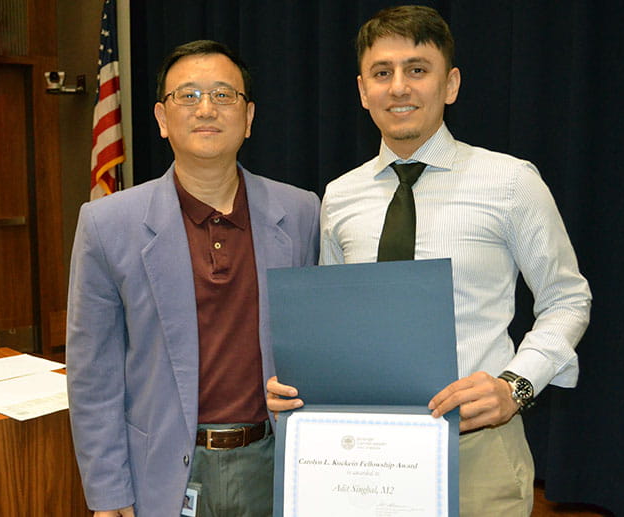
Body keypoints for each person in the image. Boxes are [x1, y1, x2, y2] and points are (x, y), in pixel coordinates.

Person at [266, 5, 591, 516]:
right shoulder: (340, 196)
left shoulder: (510, 182)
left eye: (417, 69)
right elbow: (334, 326)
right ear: (362, 90)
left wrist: (516, 386)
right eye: (382, 73)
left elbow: (567, 298)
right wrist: (297, 382)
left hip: (478, 450)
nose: (398, 87)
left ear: (451, 83)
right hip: (360, 459)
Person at [66, 40, 320, 517]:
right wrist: (107, 493)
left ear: (248, 117)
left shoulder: (301, 211)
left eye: (224, 95)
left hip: (276, 465)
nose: (206, 108)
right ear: (162, 119)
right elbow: (92, 375)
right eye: (188, 95)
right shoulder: (107, 224)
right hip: (162, 473)